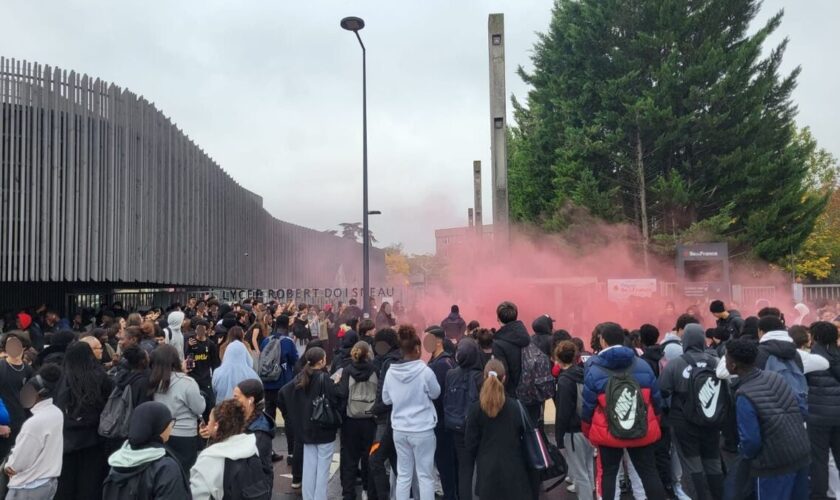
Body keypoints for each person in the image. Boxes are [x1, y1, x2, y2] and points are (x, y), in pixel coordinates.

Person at [581, 322, 665, 500]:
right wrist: (655, 423)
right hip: (642, 429)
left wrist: (588, 431)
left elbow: (587, 407)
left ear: (602, 341)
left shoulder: (593, 369)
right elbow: (656, 401)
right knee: (650, 473)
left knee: (609, 475)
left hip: (608, 432)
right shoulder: (642, 365)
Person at [726, 337, 810, 499]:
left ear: (733, 365)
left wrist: (744, 457)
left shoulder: (744, 394)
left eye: (727, 359)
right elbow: (799, 408)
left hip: (773, 465)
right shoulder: (775, 376)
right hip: (800, 454)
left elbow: (751, 442)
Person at [659, 323, 724, 499]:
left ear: (685, 340)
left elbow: (663, 390)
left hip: (683, 422)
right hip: (711, 418)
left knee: (692, 464)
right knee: (713, 462)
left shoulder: (676, 364)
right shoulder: (715, 361)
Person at [382, 325, 441, 500]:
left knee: (403, 474)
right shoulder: (425, 371)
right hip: (423, 429)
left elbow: (386, 400)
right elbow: (436, 393)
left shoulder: (391, 372)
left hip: (400, 429)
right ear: (417, 349)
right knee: (425, 476)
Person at [465, 359, 533, 500]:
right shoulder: (516, 407)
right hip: (515, 472)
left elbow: (470, 444)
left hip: (487, 472)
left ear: (484, 378)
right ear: (504, 378)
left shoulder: (475, 409)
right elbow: (527, 436)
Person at [54, 342, 113, 500]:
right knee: (91, 483)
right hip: (94, 439)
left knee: (66, 484)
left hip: (67, 441)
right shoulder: (100, 376)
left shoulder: (63, 378)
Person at [101, 402, 190, 500]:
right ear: (159, 427)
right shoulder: (165, 467)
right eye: (169, 423)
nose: (171, 427)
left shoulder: (117, 462)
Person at [287, 347, 340, 500]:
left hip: (306, 429)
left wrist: (294, 417)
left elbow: (284, 393)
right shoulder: (325, 378)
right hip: (324, 429)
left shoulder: (300, 377)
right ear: (322, 361)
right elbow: (335, 401)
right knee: (322, 470)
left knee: (309, 469)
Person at [4, 364, 63, 500]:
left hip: (27, 487)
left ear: (38, 393)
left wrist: (8, 466)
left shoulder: (34, 423)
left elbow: (19, 463)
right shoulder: (56, 413)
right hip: (47, 482)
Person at [191, 400, 266, 500]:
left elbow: (198, 494)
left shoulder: (209, 458)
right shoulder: (251, 445)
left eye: (209, 421)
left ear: (216, 425)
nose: (207, 424)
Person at [149, 344, 205, 470]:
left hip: (160, 433)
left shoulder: (153, 380)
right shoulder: (187, 382)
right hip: (184, 433)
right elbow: (199, 408)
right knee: (185, 472)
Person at [336, 341, 378, 500]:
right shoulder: (375, 369)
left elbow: (342, 393)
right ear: (368, 354)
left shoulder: (347, 370)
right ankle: (368, 490)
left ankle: (348, 494)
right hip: (370, 419)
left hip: (350, 419)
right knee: (369, 457)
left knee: (349, 459)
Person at [554, 341, 595, 500]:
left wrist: (559, 438)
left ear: (558, 358)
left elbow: (563, 412)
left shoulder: (564, 381)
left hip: (573, 432)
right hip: (588, 427)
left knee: (579, 473)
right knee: (589, 467)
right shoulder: (584, 373)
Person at [444, 337, 484, 500]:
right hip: (477, 428)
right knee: (480, 466)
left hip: (457, 427)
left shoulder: (450, 374)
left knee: (464, 468)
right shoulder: (480, 377)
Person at [805, 321, 840, 499]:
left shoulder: (810, 358)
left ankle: (819, 495)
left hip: (817, 417)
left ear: (815, 337)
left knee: (819, 459)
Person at [368, 327, 402, 500]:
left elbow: (386, 394)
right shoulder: (397, 358)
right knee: (396, 462)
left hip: (385, 420)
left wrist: (375, 409)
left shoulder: (389, 363)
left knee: (375, 459)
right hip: (395, 418)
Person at [424, 326, 456, 500]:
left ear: (437, 341)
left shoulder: (441, 364)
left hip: (441, 420)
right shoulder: (441, 361)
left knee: (445, 463)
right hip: (439, 419)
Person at [234, 379, 276, 488]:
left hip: (255, 488)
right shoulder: (241, 418)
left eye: (236, 397)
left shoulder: (260, 432)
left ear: (250, 400)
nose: (233, 401)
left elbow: (249, 463)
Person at [260, 314, 298, 432]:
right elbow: (295, 361)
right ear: (287, 325)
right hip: (283, 384)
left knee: (269, 414)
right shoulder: (288, 341)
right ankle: (291, 448)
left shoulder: (266, 340)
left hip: (267, 383)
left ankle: (267, 445)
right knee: (288, 415)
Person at [0, 333, 34, 461]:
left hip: (22, 428)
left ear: (24, 347)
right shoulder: (1, 367)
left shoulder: (28, 370)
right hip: (4, 429)